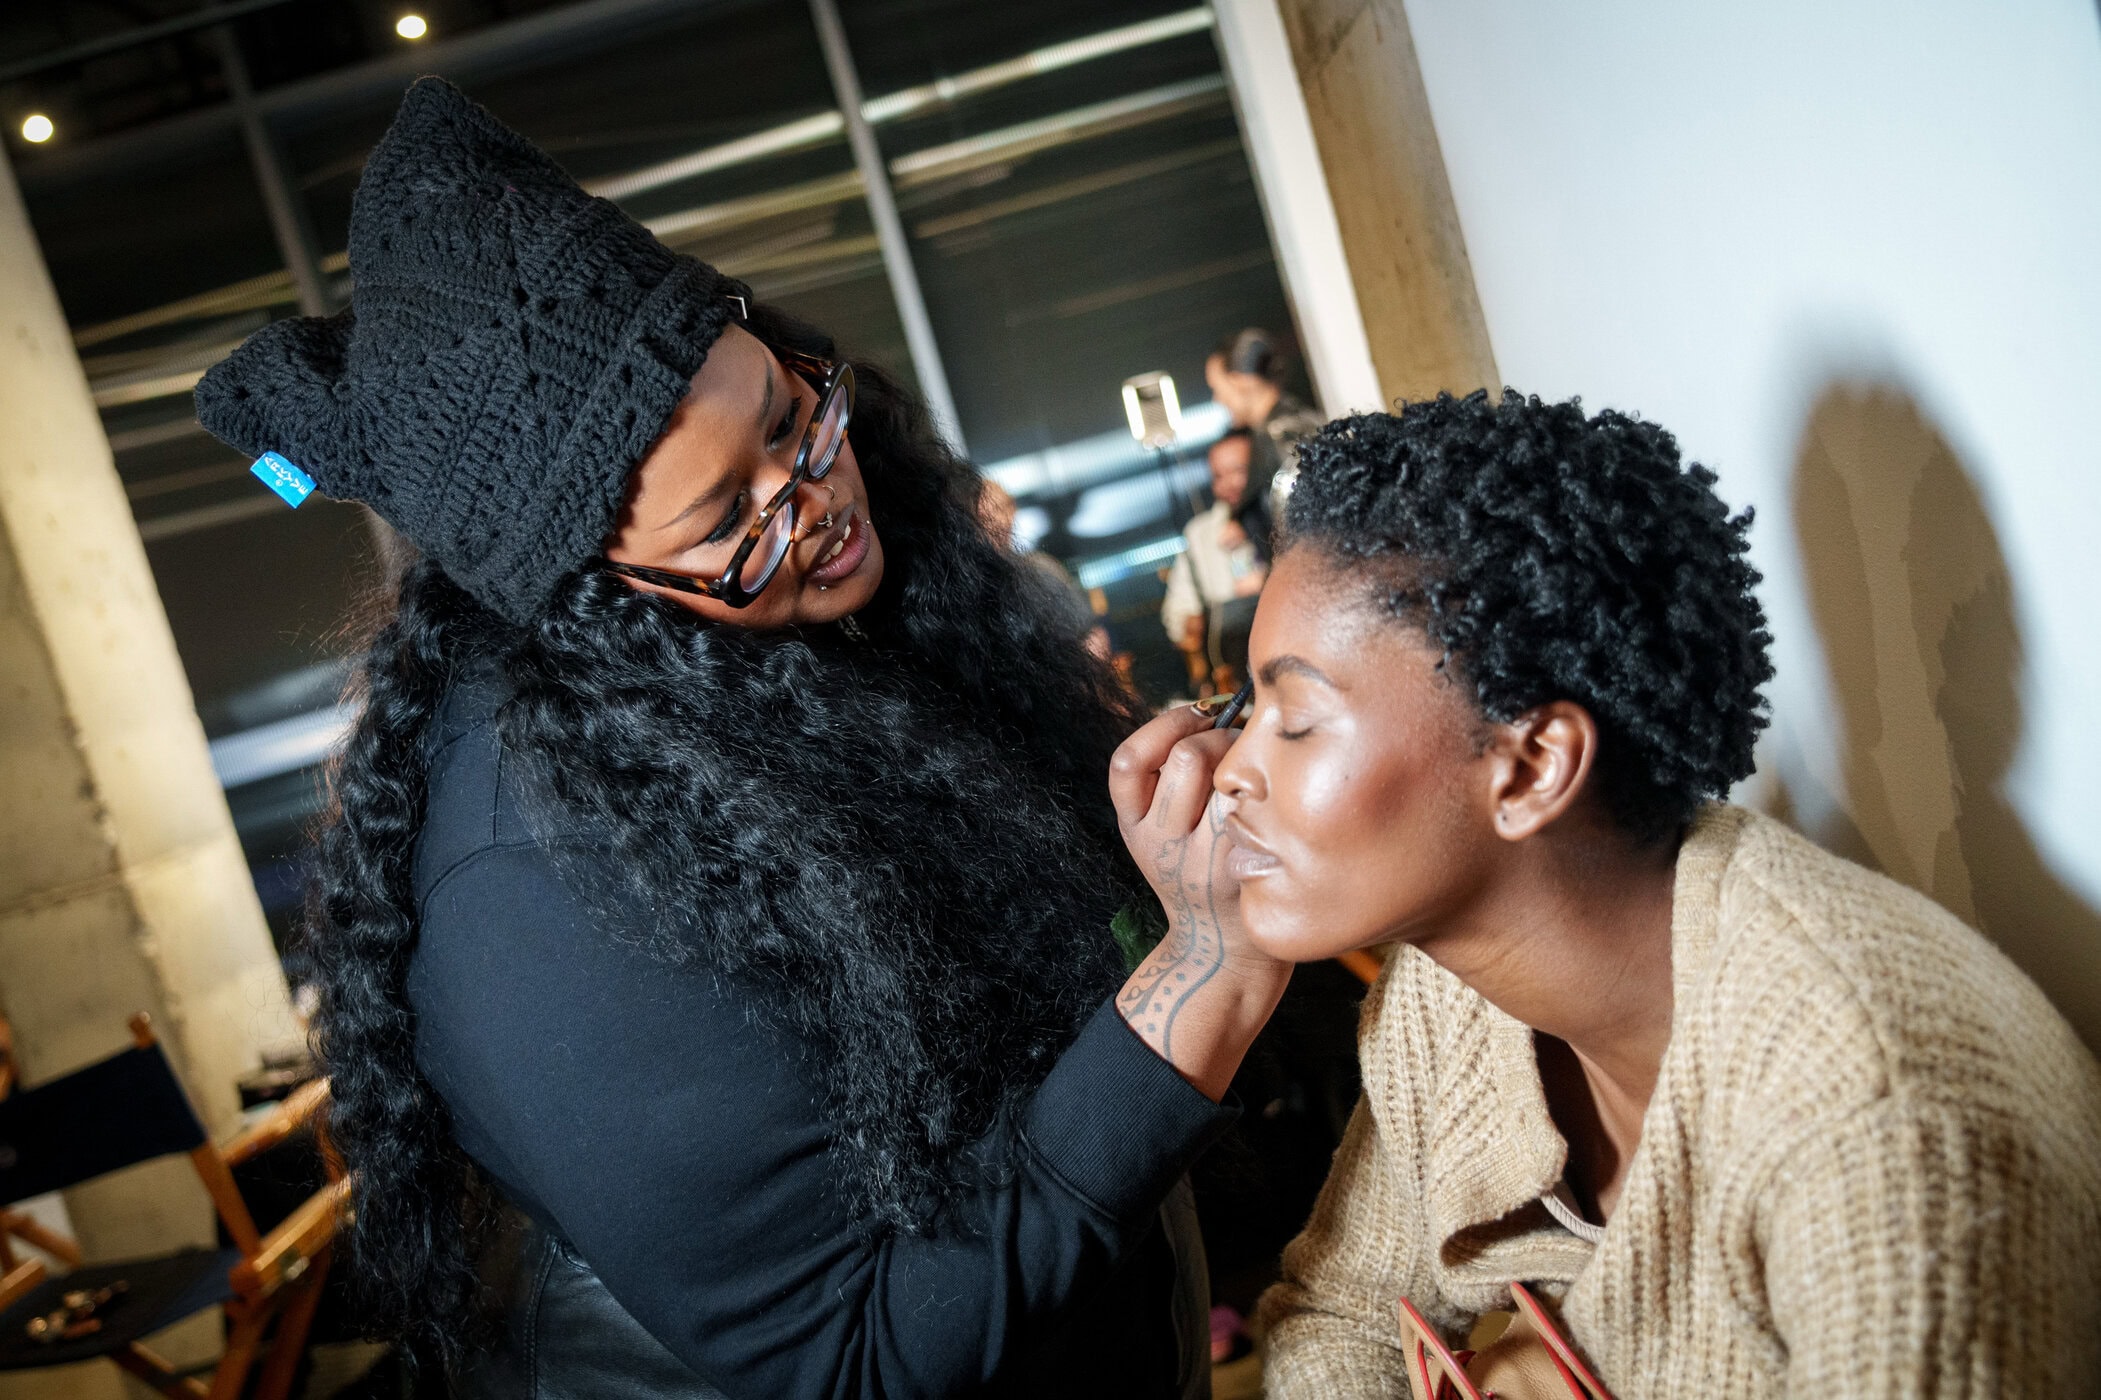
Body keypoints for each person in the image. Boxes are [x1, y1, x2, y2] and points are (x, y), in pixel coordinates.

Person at [194, 79, 1292, 1399]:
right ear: (589, 593)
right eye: (727, 518)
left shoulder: (781, 642)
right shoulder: (535, 887)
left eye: (789, 418)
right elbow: (857, 1352)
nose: (818, 500)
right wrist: (1206, 969)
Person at [1199, 394, 2101, 1395]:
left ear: (1533, 764)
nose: (1229, 769)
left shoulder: (1881, 1126)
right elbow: (1338, 1314)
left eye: (1294, 718)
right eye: (1247, 708)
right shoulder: (1444, 990)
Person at [1161, 429, 1268, 693]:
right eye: (1219, 476)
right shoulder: (1201, 534)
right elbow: (1177, 611)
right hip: (1235, 671)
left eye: (1238, 470)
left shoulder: (1283, 517)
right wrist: (1190, 623)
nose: (1229, 483)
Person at [1203, 328, 1323, 559]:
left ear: (1242, 381)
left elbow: (1311, 533)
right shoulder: (1279, 430)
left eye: (1217, 388)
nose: (1217, 399)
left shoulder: (1285, 437)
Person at [978, 477, 1110, 659]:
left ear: (1013, 509)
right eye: (985, 515)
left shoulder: (1040, 567)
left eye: (1000, 509)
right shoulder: (974, 580)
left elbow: (1091, 634)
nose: (997, 521)